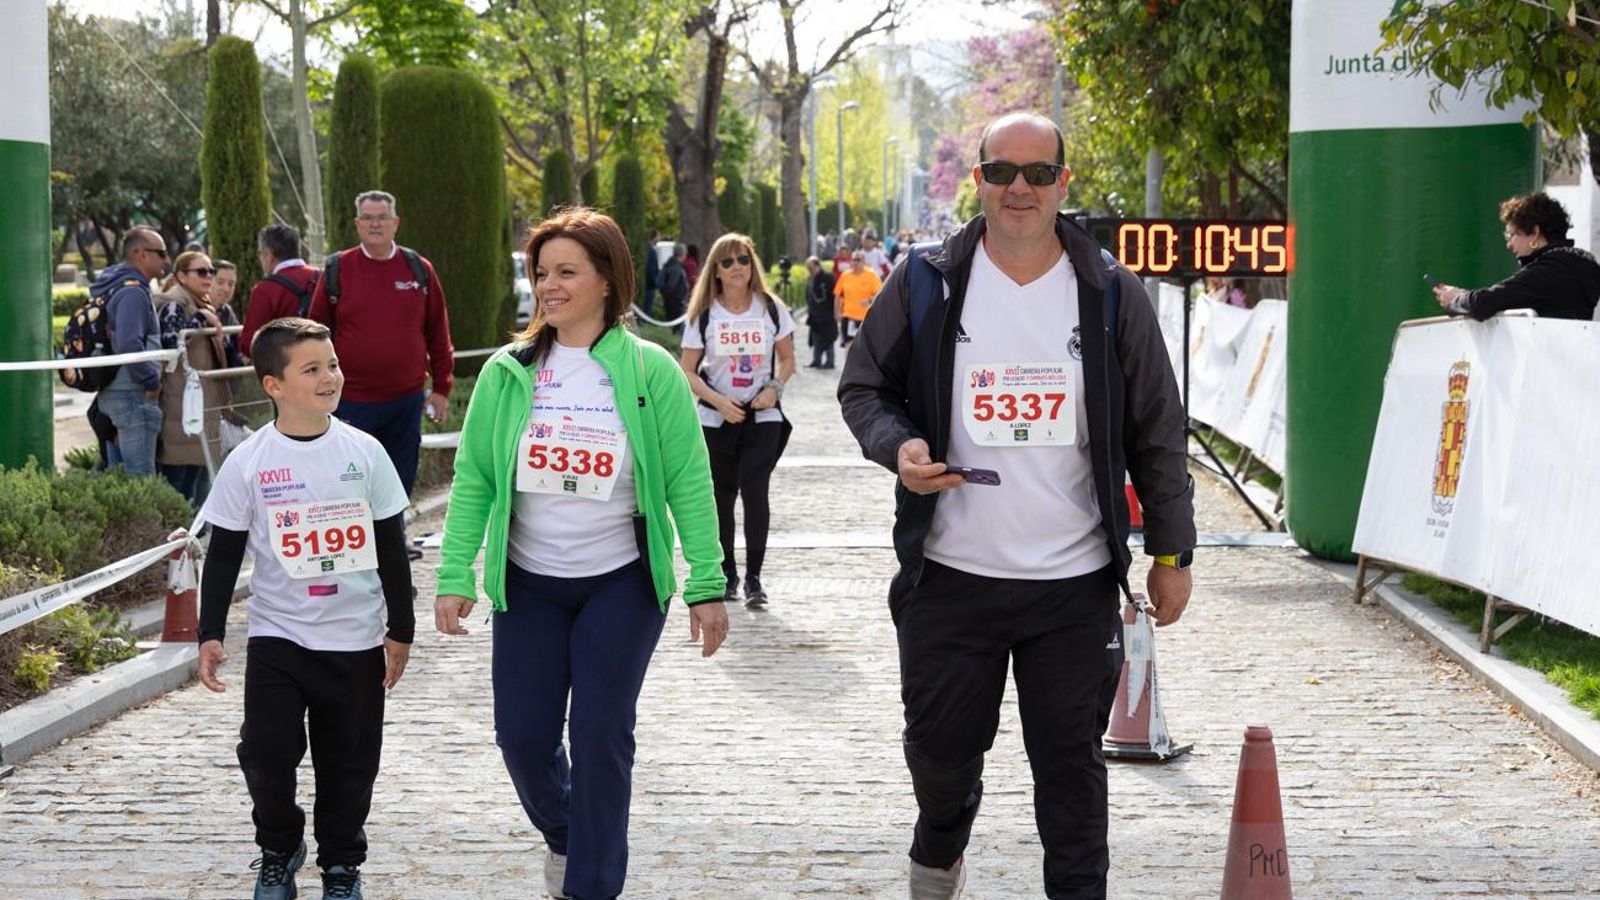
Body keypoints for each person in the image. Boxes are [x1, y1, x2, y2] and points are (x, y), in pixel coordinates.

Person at [837, 111, 1196, 900]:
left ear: (1065, 184)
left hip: (1071, 585)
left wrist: (1172, 552)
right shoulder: (927, 280)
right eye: (1003, 172)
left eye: (1039, 174)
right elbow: (865, 386)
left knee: (1071, 770)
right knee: (940, 755)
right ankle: (941, 840)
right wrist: (898, 447)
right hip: (949, 578)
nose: (1021, 189)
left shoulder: (1109, 292)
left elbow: (1157, 429)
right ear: (981, 182)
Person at [433, 208, 727, 900]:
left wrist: (707, 582)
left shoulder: (651, 372)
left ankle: (591, 885)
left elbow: (688, 480)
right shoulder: (511, 372)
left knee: (600, 734)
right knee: (523, 739)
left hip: (621, 585)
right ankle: (569, 834)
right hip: (529, 585)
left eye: (566, 272)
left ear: (606, 281)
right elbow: (474, 478)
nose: (549, 286)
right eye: (542, 273)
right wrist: (454, 573)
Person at [195, 317, 415, 900]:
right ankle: (279, 847)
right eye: (312, 368)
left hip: (354, 639)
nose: (329, 377)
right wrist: (209, 631)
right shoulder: (250, 460)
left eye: (334, 364)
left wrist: (401, 628)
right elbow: (224, 553)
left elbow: (391, 546)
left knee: (351, 763)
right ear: (274, 385)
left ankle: (341, 866)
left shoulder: (365, 453)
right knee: (265, 752)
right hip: (279, 637)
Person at [307, 190, 455, 500]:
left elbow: (438, 332)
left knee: (399, 482)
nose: (376, 225)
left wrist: (442, 388)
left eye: (382, 218)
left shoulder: (419, 270)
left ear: (395, 223)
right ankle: (360, 544)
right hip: (350, 402)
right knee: (351, 482)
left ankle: (393, 545)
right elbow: (315, 334)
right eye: (369, 219)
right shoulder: (337, 269)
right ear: (357, 224)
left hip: (406, 401)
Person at [678, 233, 797, 609]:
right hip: (717, 418)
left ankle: (755, 580)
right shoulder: (705, 315)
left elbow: (788, 359)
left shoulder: (771, 308)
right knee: (722, 497)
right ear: (715, 270)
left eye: (743, 260)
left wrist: (774, 388)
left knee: (755, 489)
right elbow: (688, 370)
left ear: (752, 264)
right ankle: (727, 575)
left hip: (762, 415)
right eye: (727, 262)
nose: (736, 268)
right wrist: (717, 400)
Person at [1433, 190, 1600, 321]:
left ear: (1534, 232)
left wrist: (1456, 298)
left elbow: (1484, 303)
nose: (1509, 244)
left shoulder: (1545, 273)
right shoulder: (1580, 266)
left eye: (1511, 235)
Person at [154, 250, 239, 503]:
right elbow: (171, 344)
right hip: (179, 405)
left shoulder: (203, 304)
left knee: (197, 481)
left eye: (210, 271)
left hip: (200, 405)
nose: (209, 277)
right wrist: (200, 319)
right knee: (178, 485)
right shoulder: (173, 304)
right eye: (201, 272)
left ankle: (194, 537)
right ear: (181, 276)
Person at [95, 226, 168, 476]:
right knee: (140, 478)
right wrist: (151, 382)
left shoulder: (117, 286)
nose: (166, 260)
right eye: (161, 253)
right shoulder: (133, 292)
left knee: (120, 476)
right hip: (132, 394)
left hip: (119, 390)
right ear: (141, 254)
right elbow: (129, 345)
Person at [240, 224, 319, 357]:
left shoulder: (265, 289)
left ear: (268, 255)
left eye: (261, 253)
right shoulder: (323, 278)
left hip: (288, 370)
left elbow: (249, 344)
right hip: (327, 365)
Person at [833, 250, 882, 347]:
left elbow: (880, 294)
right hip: (848, 317)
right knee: (848, 345)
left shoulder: (871, 275)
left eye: (858, 260)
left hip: (866, 318)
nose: (855, 262)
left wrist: (869, 300)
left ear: (864, 261)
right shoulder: (845, 275)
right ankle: (848, 362)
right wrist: (837, 312)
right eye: (853, 260)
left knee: (864, 346)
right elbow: (838, 294)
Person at [804, 256, 838, 369]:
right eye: (808, 268)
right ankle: (816, 360)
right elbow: (808, 295)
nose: (809, 270)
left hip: (827, 314)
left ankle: (830, 361)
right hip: (814, 314)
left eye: (811, 267)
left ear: (817, 265)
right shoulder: (810, 279)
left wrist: (836, 311)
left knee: (828, 338)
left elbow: (835, 295)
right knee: (815, 337)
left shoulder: (828, 277)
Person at [659, 243, 691, 326]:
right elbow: (671, 286)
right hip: (675, 303)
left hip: (673, 301)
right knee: (675, 326)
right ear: (682, 254)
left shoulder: (670, 264)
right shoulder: (676, 267)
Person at [642, 228, 661, 316]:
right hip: (649, 285)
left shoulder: (647, 249)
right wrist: (654, 282)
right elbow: (651, 269)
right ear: (653, 237)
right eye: (658, 236)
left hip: (648, 283)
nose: (659, 238)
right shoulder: (651, 251)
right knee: (647, 306)